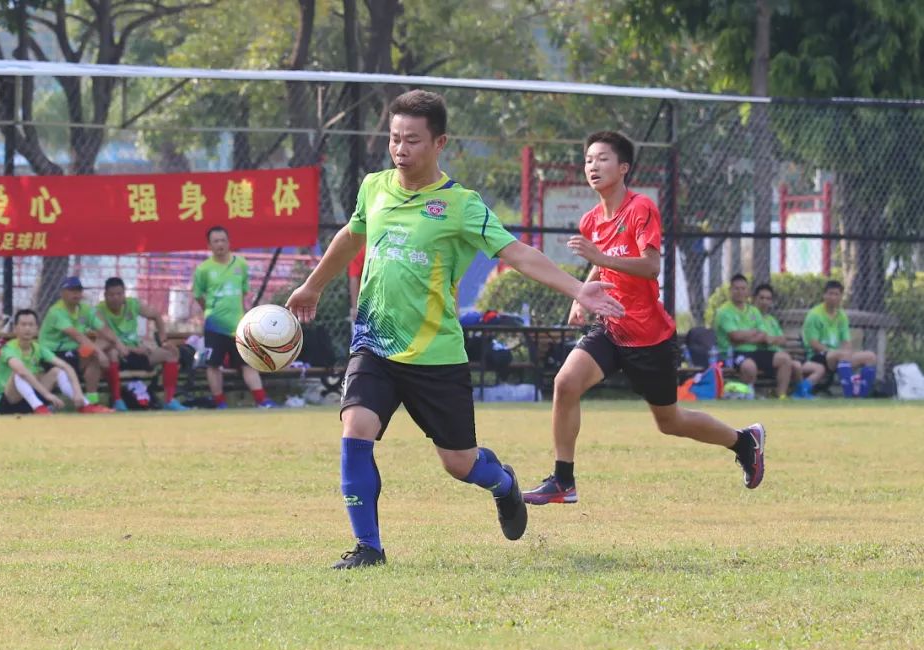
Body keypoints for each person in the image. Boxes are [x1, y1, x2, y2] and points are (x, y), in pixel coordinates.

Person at [285, 89, 625, 569]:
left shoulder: (461, 205)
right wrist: (313, 286)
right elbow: (351, 235)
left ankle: (502, 484)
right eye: (395, 139)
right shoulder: (374, 187)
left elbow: (516, 253)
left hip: (435, 357)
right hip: (375, 345)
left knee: (458, 463)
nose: (401, 150)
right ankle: (369, 548)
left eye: (413, 141)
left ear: (440, 142)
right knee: (355, 430)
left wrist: (577, 288)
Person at [522, 131, 765, 508]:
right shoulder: (591, 220)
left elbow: (651, 267)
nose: (593, 166)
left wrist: (599, 261)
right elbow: (600, 263)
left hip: (650, 337)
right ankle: (562, 480)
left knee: (669, 421)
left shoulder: (640, 209)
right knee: (566, 383)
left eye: (602, 159)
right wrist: (582, 295)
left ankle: (742, 441)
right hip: (610, 327)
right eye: (588, 159)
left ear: (623, 168)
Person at [191, 226, 276, 409]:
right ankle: (219, 402)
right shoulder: (203, 270)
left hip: (238, 326)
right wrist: (211, 311)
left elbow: (244, 292)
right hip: (214, 326)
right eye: (216, 241)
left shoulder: (241, 265)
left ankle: (262, 400)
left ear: (229, 242)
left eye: (223, 240)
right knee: (213, 365)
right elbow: (198, 295)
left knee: (247, 363)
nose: (220, 244)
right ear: (209, 245)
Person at [97, 276, 189, 411]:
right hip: (119, 353)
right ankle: (118, 401)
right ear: (105, 295)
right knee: (112, 352)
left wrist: (163, 341)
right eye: (111, 295)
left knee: (171, 353)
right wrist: (134, 349)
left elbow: (156, 315)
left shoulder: (133, 304)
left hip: (137, 351)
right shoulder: (99, 311)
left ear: (124, 294)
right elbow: (107, 339)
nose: (116, 298)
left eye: (119, 294)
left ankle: (169, 400)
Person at [712, 274, 802, 399]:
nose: (740, 292)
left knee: (784, 359)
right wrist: (752, 333)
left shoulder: (753, 311)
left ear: (747, 291)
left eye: (743, 289)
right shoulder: (724, 311)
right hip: (733, 353)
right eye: (736, 289)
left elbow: (763, 335)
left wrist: (745, 336)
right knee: (749, 367)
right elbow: (734, 336)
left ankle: (781, 396)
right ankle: (748, 395)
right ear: (730, 291)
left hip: (756, 351)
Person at [38, 276, 117, 412]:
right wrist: (100, 353)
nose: (76, 294)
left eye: (78, 290)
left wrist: (120, 345)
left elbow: (103, 329)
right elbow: (77, 336)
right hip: (52, 354)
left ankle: (93, 402)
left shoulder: (84, 309)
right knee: (94, 354)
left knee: (101, 347)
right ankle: (87, 405)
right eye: (71, 290)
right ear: (62, 293)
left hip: (73, 352)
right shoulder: (56, 311)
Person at [0, 308, 91, 415]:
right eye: (23, 324)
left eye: (31, 325)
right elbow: (21, 372)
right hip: (7, 403)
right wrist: (47, 395)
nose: (27, 328)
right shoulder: (8, 348)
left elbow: (66, 366)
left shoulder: (39, 348)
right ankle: (39, 408)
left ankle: (85, 405)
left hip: (29, 400)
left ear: (36, 329)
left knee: (57, 371)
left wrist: (78, 392)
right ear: (15, 328)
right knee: (19, 373)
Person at [802, 279, 877, 397]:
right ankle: (849, 394)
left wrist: (846, 352)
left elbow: (846, 341)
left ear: (841, 297)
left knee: (870, 357)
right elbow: (813, 343)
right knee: (841, 355)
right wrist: (836, 352)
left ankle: (862, 395)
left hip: (839, 357)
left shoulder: (841, 315)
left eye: (836, 294)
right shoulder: (814, 315)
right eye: (830, 293)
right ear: (824, 295)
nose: (833, 297)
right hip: (817, 356)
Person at [752, 282, 823, 399]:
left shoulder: (771, 320)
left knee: (815, 368)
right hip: (763, 356)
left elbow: (782, 340)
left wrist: (772, 339)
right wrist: (772, 339)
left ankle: (799, 393)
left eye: (768, 299)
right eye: (761, 298)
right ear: (754, 299)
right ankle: (787, 395)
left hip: (778, 355)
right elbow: (764, 340)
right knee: (793, 365)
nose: (765, 302)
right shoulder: (752, 317)